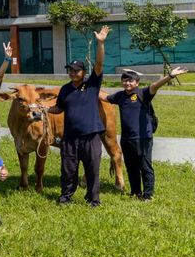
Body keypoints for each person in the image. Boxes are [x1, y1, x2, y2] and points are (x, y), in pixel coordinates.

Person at [45, 26, 110, 207]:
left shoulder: (92, 84)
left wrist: (101, 43)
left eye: (76, 70)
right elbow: (59, 108)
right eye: (70, 70)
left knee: (92, 170)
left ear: (83, 72)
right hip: (70, 138)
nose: (72, 73)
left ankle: (93, 199)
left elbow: (99, 64)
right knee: (68, 169)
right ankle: (66, 197)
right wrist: (45, 109)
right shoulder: (65, 89)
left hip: (90, 135)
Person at [105, 67, 188, 200]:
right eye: (125, 81)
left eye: (130, 81)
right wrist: (89, 87)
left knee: (145, 166)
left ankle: (148, 195)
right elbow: (104, 97)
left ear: (137, 83)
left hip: (143, 138)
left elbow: (155, 86)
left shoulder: (143, 93)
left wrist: (170, 76)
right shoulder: (119, 96)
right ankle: (136, 192)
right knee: (131, 167)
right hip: (126, 139)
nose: (127, 83)